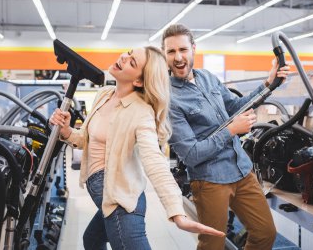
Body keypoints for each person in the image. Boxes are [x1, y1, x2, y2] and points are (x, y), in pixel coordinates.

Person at [49, 46, 225, 250]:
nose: (124, 58)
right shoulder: (105, 94)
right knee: (92, 239)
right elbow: (88, 140)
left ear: (139, 81)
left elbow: (155, 161)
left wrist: (177, 212)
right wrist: (67, 131)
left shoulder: (141, 112)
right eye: (129, 53)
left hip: (121, 200)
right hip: (110, 193)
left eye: (132, 62)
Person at [161, 24, 290, 250]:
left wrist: (268, 83)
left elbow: (235, 107)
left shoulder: (208, 78)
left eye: (183, 49)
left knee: (265, 234)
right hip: (209, 180)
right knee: (213, 244)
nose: (178, 57)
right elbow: (191, 155)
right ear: (164, 54)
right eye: (171, 51)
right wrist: (231, 130)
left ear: (193, 49)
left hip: (241, 169)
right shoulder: (168, 99)